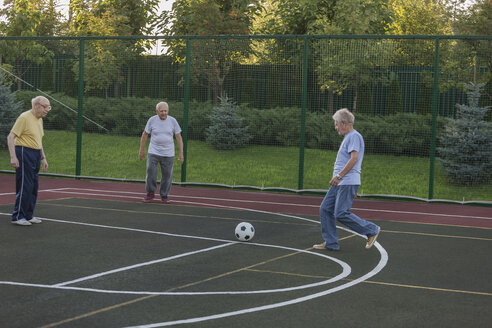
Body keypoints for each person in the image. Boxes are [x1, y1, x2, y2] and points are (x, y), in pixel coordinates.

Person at [313, 108, 380, 251]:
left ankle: (371, 229)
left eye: (336, 124)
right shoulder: (348, 137)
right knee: (325, 209)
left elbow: (354, 159)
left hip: (345, 181)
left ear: (343, 123)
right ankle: (330, 242)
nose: (335, 127)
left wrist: (339, 176)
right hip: (342, 182)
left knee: (341, 213)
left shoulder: (354, 136)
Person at [8, 96, 51, 226]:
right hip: (24, 152)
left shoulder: (39, 120)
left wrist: (43, 157)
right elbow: (11, 137)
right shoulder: (24, 117)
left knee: (33, 186)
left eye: (49, 107)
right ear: (36, 105)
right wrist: (13, 156)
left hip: (35, 154)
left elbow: (39, 140)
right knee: (24, 186)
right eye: (45, 106)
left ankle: (28, 215)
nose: (47, 110)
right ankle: (18, 216)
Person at [139, 102, 184, 202]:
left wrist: (181, 153)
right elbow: (144, 135)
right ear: (157, 111)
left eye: (165, 111)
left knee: (167, 176)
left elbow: (179, 138)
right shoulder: (152, 120)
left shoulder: (173, 121)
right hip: (153, 152)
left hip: (168, 154)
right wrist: (141, 150)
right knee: (151, 172)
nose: (164, 113)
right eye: (161, 111)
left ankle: (164, 194)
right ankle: (150, 193)